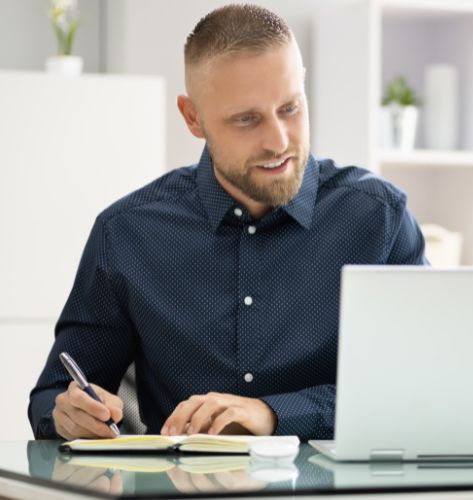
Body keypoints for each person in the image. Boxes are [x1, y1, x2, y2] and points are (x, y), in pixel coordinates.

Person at [29, 4, 426, 441]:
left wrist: (274, 414)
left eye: (290, 108)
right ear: (193, 117)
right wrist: (67, 414)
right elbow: (54, 394)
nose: (278, 141)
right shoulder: (125, 234)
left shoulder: (378, 217)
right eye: (246, 119)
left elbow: (417, 389)